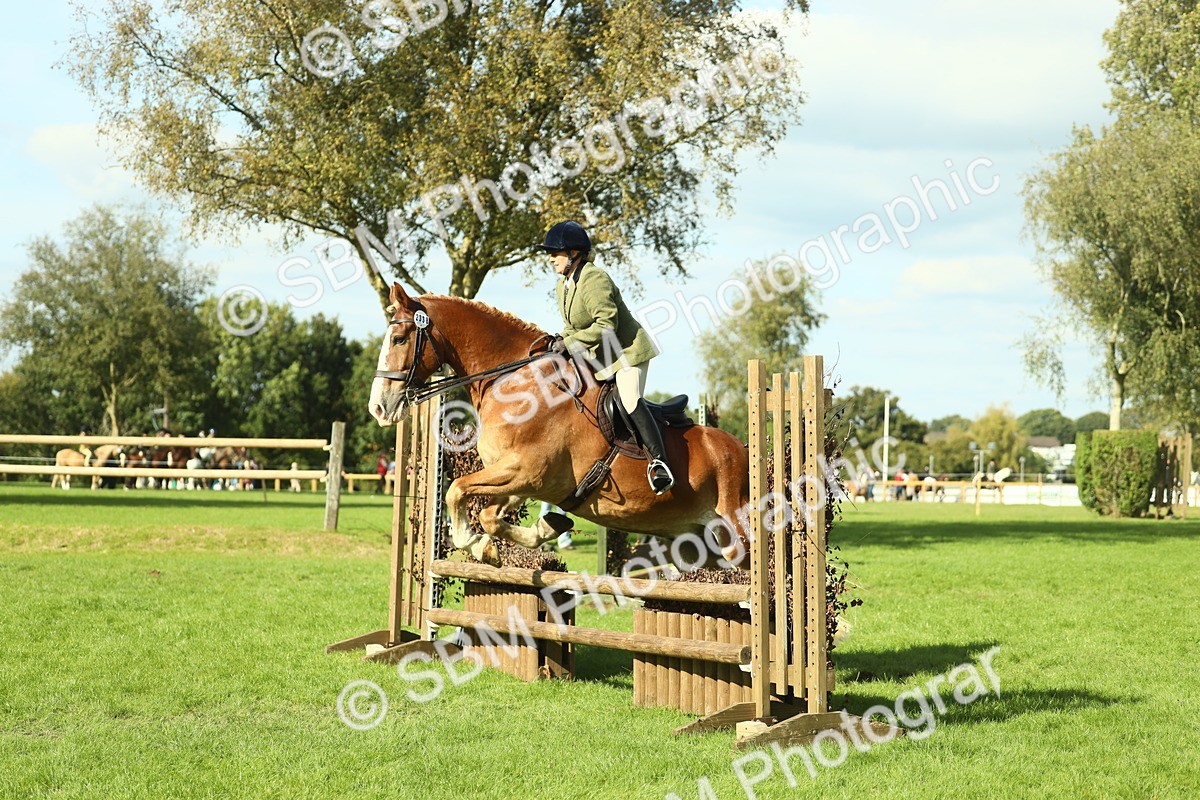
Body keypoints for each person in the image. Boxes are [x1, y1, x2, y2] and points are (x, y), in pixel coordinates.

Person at [537, 220, 673, 495]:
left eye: (556, 253)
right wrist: (559, 341)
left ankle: (660, 463)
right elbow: (572, 327)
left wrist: (571, 342)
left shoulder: (595, 278)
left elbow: (606, 324)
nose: (550, 259)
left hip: (627, 353)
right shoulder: (562, 286)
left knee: (628, 398)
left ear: (574, 254)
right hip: (600, 358)